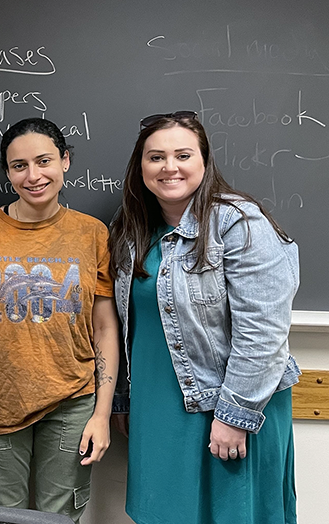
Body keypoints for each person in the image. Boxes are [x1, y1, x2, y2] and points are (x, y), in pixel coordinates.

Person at [108, 111, 298, 523]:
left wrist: (235, 416)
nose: (169, 167)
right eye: (156, 157)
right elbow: (124, 326)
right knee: (165, 513)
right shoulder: (130, 230)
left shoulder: (240, 223)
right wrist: (122, 398)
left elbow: (264, 331)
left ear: (204, 161)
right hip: (158, 407)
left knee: (232, 514)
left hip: (229, 404)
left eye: (182, 155)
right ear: (140, 167)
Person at [0, 118, 119, 522]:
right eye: (19, 166)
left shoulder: (92, 233)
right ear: (8, 172)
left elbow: (104, 328)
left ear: (65, 161)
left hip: (72, 403)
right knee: (0, 517)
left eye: (44, 161)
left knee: (60, 518)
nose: (33, 176)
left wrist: (101, 413)